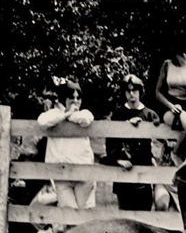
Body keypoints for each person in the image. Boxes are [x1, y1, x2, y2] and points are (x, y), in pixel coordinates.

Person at [104, 74, 162, 211]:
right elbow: (110, 141)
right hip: (124, 170)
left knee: (144, 213)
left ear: (140, 92)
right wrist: (117, 159)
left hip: (143, 169)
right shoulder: (119, 114)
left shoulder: (149, 114)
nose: (131, 94)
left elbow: (161, 137)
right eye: (128, 91)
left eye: (134, 90)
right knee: (125, 214)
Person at [37, 80, 96, 211]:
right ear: (64, 98)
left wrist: (68, 116)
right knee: (68, 211)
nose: (75, 101)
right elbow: (42, 121)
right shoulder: (54, 114)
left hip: (83, 172)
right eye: (71, 97)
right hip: (61, 173)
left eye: (78, 98)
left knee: (83, 212)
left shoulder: (84, 113)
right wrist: (64, 115)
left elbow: (86, 119)